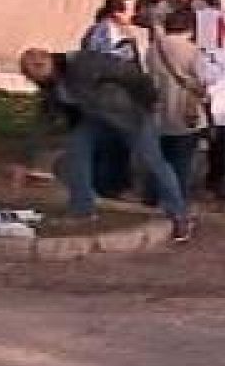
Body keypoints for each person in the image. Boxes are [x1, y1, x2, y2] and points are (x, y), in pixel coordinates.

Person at [13, 47, 194, 242]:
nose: (37, 77)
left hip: (129, 116)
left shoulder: (83, 63)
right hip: (95, 119)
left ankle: (180, 214)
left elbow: (129, 73)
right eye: (31, 74)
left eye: (38, 68)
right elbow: (44, 120)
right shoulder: (51, 85)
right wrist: (24, 160)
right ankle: (82, 209)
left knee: (152, 161)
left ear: (48, 60)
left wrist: (149, 103)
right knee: (76, 152)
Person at [144, 4, 210, 202]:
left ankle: (153, 196)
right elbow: (204, 80)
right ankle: (177, 201)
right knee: (181, 162)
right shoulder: (193, 51)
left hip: (158, 115)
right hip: (185, 116)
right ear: (190, 28)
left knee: (159, 159)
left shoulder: (153, 50)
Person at [79, 0, 141, 198]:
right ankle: (107, 186)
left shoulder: (122, 32)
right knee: (110, 143)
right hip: (107, 95)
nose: (133, 15)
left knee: (118, 142)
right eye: (129, 10)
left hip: (121, 95)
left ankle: (114, 184)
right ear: (116, 12)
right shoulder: (102, 32)